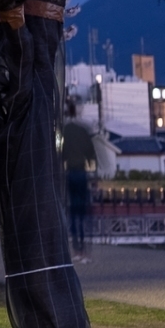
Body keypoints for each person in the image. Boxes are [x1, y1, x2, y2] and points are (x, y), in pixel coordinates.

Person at [59, 104, 97, 260]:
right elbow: (91, 154)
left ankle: (77, 251)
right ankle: (85, 251)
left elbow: (62, 154)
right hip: (82, 174)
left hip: (70, 174)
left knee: (73, 213)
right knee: (83, 213)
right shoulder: (84, 130)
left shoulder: (66, 131)